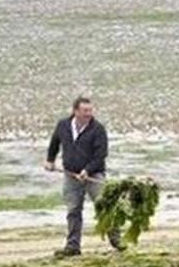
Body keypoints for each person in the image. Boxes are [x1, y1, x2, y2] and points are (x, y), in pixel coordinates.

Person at [42, 97, 122, 258]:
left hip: (94, 174)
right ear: (75, 111)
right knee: (73, 210)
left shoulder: (98, 129)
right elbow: (55, 143)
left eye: (90, 110)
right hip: (71, 174)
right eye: (85, 111)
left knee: (104, 207)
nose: (89, 114)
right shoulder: (63, 125)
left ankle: (118, 241)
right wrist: (50, 160)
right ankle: (73, 246)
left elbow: (101, 155)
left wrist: (87, 170)